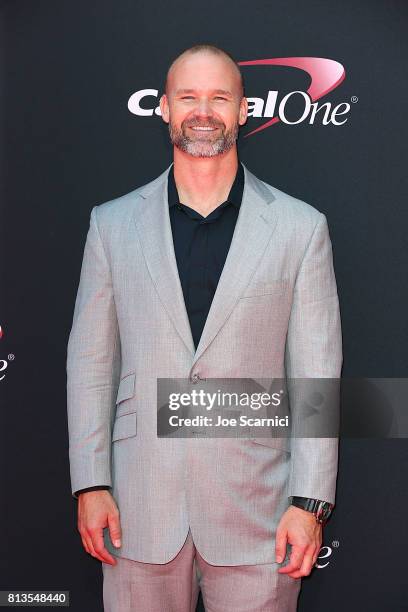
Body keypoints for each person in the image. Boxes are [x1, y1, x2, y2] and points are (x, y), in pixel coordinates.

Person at [66, 44, 342, 612]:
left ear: (244, 110)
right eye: (188, 96)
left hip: (259, 512)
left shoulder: (299, 228)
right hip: (139, 511)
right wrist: (91, 484)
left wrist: (309, 501)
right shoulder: (112, 225)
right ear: (164, 108)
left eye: (219, 97)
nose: (203, 110)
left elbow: (317, 375)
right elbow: (91, 364)